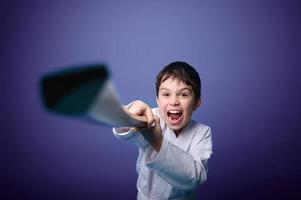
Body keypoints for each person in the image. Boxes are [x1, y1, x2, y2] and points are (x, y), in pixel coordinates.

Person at [112, 61, 213, 200]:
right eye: (166, 94)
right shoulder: (151, 119)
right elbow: (125, 130)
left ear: (196, 103)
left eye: (183, 95)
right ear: (157, 100)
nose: (174, 101)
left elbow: (195, 178)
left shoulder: (202, 133)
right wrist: (130, 115)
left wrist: (157, 141)